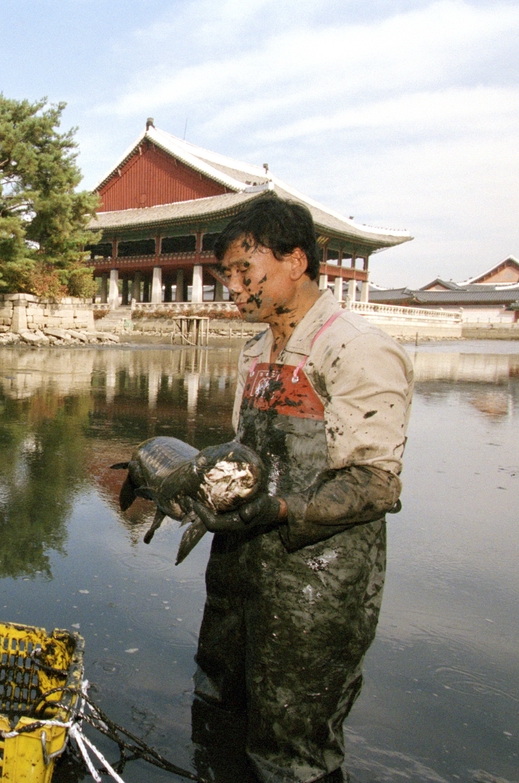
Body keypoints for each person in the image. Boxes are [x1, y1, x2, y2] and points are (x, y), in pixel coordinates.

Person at [183, 197, 413, 783]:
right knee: (217, 696)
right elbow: (247, 451)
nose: (232, 288)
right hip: (239, 559)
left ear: (296, 261)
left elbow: (375, 483)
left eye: (244, 270)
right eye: (225, 275)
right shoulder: (258, 350)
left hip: (319, 571)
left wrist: (280, 508)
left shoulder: (356, 347)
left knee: (291, 736)